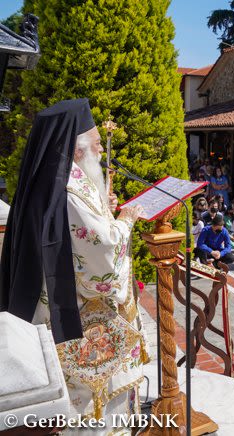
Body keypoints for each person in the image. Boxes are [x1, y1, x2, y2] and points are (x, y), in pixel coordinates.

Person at [0, 99, 149, 427]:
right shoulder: (70, 191)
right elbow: (104, 253)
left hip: (54, 298)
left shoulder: (56, 178)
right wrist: (125, 220)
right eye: (96, 143)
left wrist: (104, 207)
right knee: (90, 400)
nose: (102, 150)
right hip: (79, 311)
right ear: (77, 149)